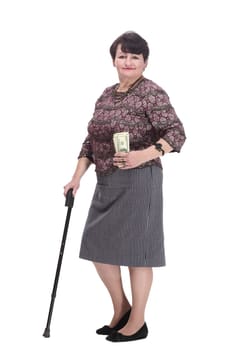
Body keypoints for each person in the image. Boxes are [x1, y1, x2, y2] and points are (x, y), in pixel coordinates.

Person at [64, 31, 186, 342]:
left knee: (136, 253)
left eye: (134, 56)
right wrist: (77, 176)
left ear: (145, 62)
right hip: (106, 181)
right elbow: (91, 141)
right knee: (97, 246)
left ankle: (138, 322)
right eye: (122, 56)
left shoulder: (152, 93)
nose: (128, 61)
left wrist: (141, 155)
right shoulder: (106, 94)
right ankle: (121, 309)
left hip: (140, 180)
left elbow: (176, 134)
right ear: (114, 60)